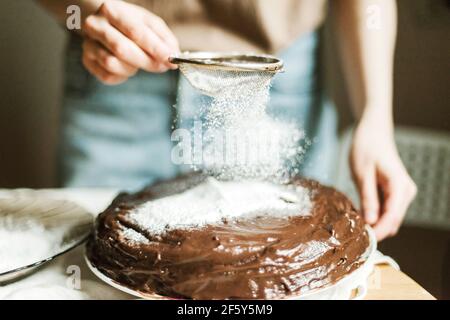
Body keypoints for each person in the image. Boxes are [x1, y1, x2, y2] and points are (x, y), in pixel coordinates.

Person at [37, 0, 416, 241]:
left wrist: (376, 113)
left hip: (279, 72)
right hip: (119, 66)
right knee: (99, 259)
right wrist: (86, 10)